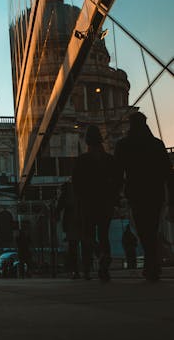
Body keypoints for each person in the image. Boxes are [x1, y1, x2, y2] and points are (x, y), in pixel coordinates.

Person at [115, 112, 173, 281]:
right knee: (153, 228)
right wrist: (170, 196)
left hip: (136, 191)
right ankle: (152, 264)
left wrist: (116, 193)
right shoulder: (156, 144)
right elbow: (167, 172)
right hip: (155, 192)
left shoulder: (123, 145)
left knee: (143, 229)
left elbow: (118, 172)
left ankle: (151, 264)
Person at [72, 125, 121, 282]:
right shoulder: (110, 159)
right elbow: (118, 180)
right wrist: (114, 197)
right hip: (105, 202)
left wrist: (80, 199)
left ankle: (90, 265)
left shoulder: (82, 160)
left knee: (87, 235)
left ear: (87, 141)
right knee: (104, 234)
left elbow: (76, 183)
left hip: (88, 202)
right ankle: (104, 268)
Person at [56, 181, 82, 278]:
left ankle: (76, 271)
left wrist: (57, 214)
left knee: (73, 248)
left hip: (72, 224)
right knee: (85, 243)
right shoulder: (79, 192)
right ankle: (85, 268)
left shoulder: (66, 194)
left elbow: (59, 206)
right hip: (81, 221)